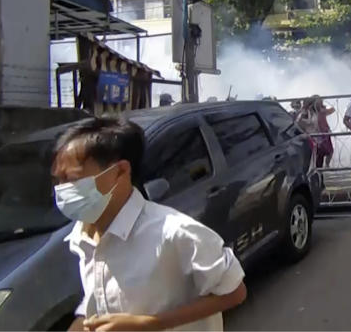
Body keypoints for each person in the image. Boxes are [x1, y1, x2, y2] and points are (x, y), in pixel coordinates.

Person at [51, 117, 247, 331]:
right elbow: (98, 295)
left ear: (120, 171)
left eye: (73, 179)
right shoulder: (82, 235)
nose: (62, 190)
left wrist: (150, 324)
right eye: (58, 180)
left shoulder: (175, 232)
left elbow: (234, 291)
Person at [296, 95, 336, 168]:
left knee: (320, 157)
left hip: (317, 138)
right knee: (313, 159)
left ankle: (321, 172)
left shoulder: (316, 112)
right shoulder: (305, 113)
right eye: (318, 102)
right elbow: (299, 122)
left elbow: (332, 110)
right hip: (309, 138)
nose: (319, 104)